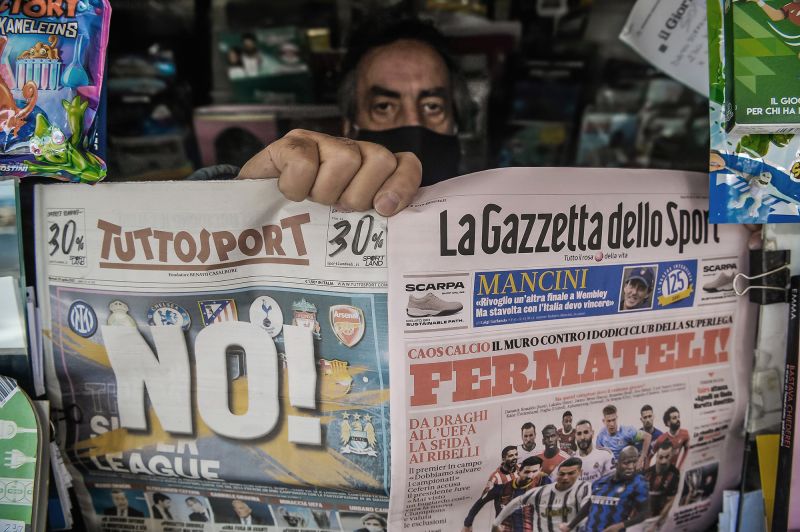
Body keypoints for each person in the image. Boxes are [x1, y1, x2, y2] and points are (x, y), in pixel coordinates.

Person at [226, 14, 473, 216]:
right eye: (384, 107)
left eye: (432, 106)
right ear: (349, 126)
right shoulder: (305, 213)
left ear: (456, 120)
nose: (413, 123)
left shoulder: (497, 217)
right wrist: (246, 199)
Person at [561, 446, 649, 532]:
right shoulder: (602, 481)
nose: (631, 467)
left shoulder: (639, 483)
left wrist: (621, 525)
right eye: (626, 463)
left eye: (634, 462)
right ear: (616, 463)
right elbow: (589, 505)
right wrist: (569, 526)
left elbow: (646, 513)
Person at [493, 457, 590, 532]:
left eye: (571, 473)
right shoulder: (543, 490)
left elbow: (588, 508)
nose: (565, 477)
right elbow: (515, 502)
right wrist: (496, 523)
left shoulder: (585, 489)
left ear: (580, 473)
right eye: (562, 474)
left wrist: (570, 525)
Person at [463, 456, 549, 532]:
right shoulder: (501, 489)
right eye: (526, 472)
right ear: (519, 471)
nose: (530, 476)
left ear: (540, 470)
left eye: (534, 471)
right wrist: (467, 524)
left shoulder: (543, 482)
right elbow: (479, 503)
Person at [596, 404, 651, 470]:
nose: (612, 424)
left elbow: (647, 437)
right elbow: (598, 454)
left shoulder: (626, 432)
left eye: (613, 420)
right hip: (611, 471)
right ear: (604, 421)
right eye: (609, 421)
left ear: (617, 418)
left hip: (626, 468)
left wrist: (641, 459)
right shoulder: (601, 435)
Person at [642, 441, 680, 531]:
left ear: (671, 456)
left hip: (661, 520)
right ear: (656, 456)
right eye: (660, 457)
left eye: (667, 457)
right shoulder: (646, 474)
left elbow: (670, 502)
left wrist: (656, 524)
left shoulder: (675, 475)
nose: (664, 461)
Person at [573, 419, 614, 484]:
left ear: (592, 433)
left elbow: (612, 482)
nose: (582, 437)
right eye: (579, 433)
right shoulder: (571, 459)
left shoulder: (605, 454)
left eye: (586, 432)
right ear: (575, 436)